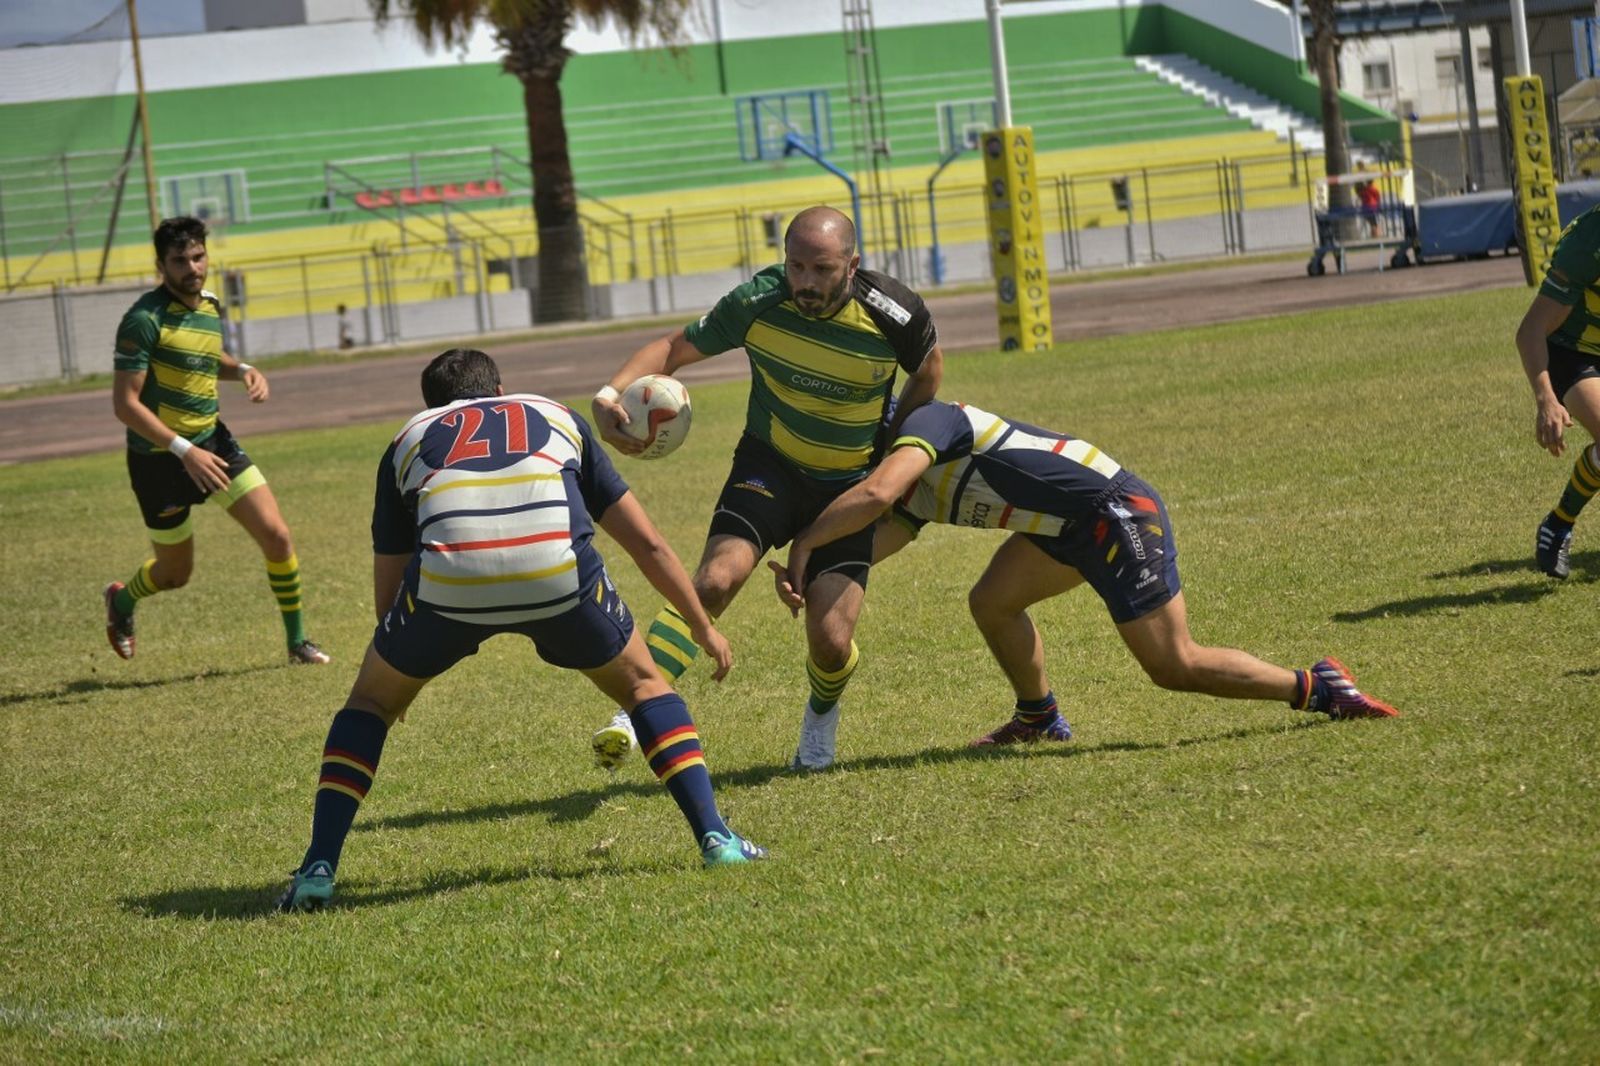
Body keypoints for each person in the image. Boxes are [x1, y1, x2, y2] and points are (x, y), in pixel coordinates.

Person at [277, 349, 764, 912]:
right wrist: (701, 625)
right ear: (501, 388)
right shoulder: (556, 415)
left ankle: (317, 869)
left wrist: (394, 665)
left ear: (433, 407)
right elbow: (647, 542)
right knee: (646, 688)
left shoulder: (409, 438)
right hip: (556, 578)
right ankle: (717, 840)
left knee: (365, 707)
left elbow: (391, 568)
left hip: (448, 585)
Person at [769, 399, 1398, 744]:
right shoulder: (912, 491)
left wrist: (805, 543)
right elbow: (869, 541)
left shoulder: (931, 424)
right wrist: (811, 569)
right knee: (991, 601)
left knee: (1172, 665)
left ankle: (1316, 687)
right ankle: (1038, 718)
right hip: (1064, 528)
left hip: (1113, 510)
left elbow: (876, 496)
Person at [588, 205, 943, 772]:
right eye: (795, 266)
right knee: (715, 579)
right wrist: (610, 396)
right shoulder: (759, 301)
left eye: (821, 269)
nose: (804, 282)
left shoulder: (894, 314)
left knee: (829, 639)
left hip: (849, 484)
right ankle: (639, 707)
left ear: (852, 266)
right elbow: (674, 349)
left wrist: (896, 440)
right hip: (770, 466)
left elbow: (928, 372)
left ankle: (820, 719)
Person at [103, 215, 330, 666]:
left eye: (198, 256)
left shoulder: (208, 305)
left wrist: (243, 369)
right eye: (179, 260)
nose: (192, 267)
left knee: (277, 536)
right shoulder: (143, 320)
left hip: (213, 443)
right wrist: (183, 451)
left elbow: (207, 358)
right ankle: (123, 600)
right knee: (174, 574)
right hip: (159, 461)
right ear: (160, 266)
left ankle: (298, 643)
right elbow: (126, 405)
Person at [1516, 204, 1600, 580]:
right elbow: (1530, 330)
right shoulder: (1589, 239)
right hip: (1574, 352)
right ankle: (1559, 523)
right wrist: (1546, 400)